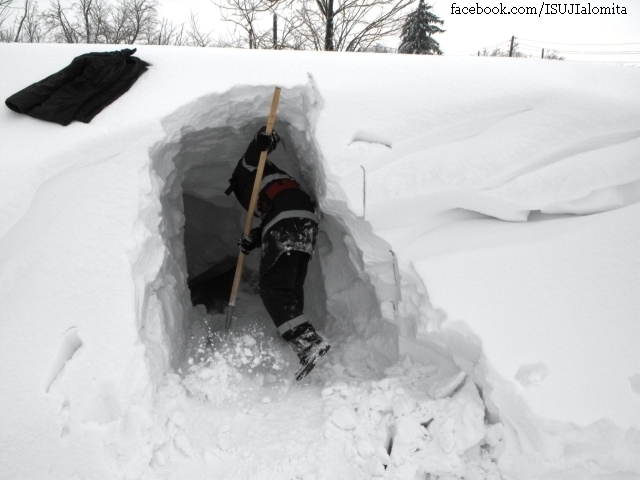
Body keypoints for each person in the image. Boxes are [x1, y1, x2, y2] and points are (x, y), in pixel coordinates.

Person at [225, 126, 330, 380]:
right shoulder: (276, 181)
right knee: (290, 285)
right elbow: (279, 214)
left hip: (286, 221)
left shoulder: (246, 174)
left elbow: (253, 157)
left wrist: (262, 140)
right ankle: (295, 337)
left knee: (272, 287)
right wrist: (256, 239)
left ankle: (306, 342)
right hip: (306, 222)